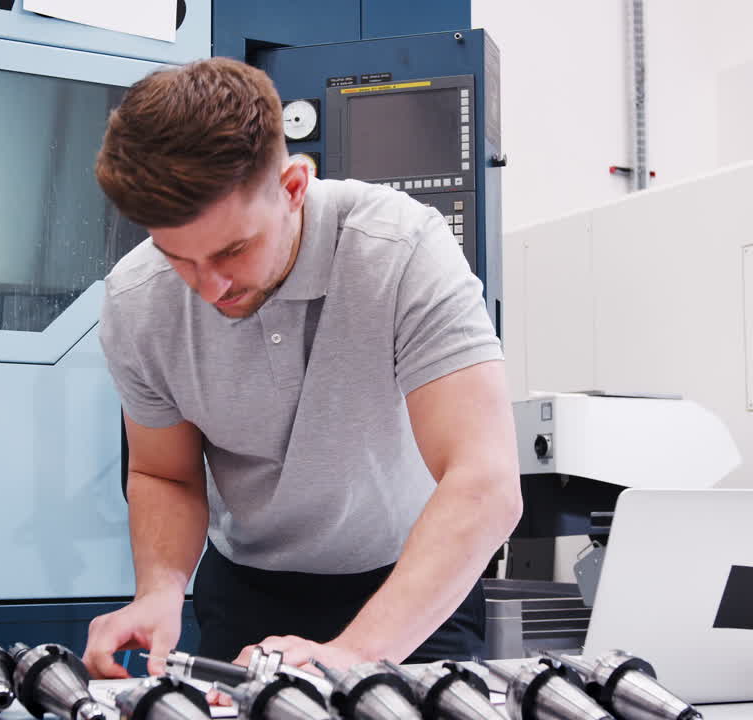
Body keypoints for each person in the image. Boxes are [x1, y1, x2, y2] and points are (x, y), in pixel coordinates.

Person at [83, 57, 520, 679]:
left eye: (233, 249)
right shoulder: (138, 301)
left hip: (415, 583)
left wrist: (354, 654)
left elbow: (485, 482)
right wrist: (160, 589)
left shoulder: (403, 251)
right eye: (179, 257)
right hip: (247, 590)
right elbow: (165, 475)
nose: (211, 287)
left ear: (292, 187)